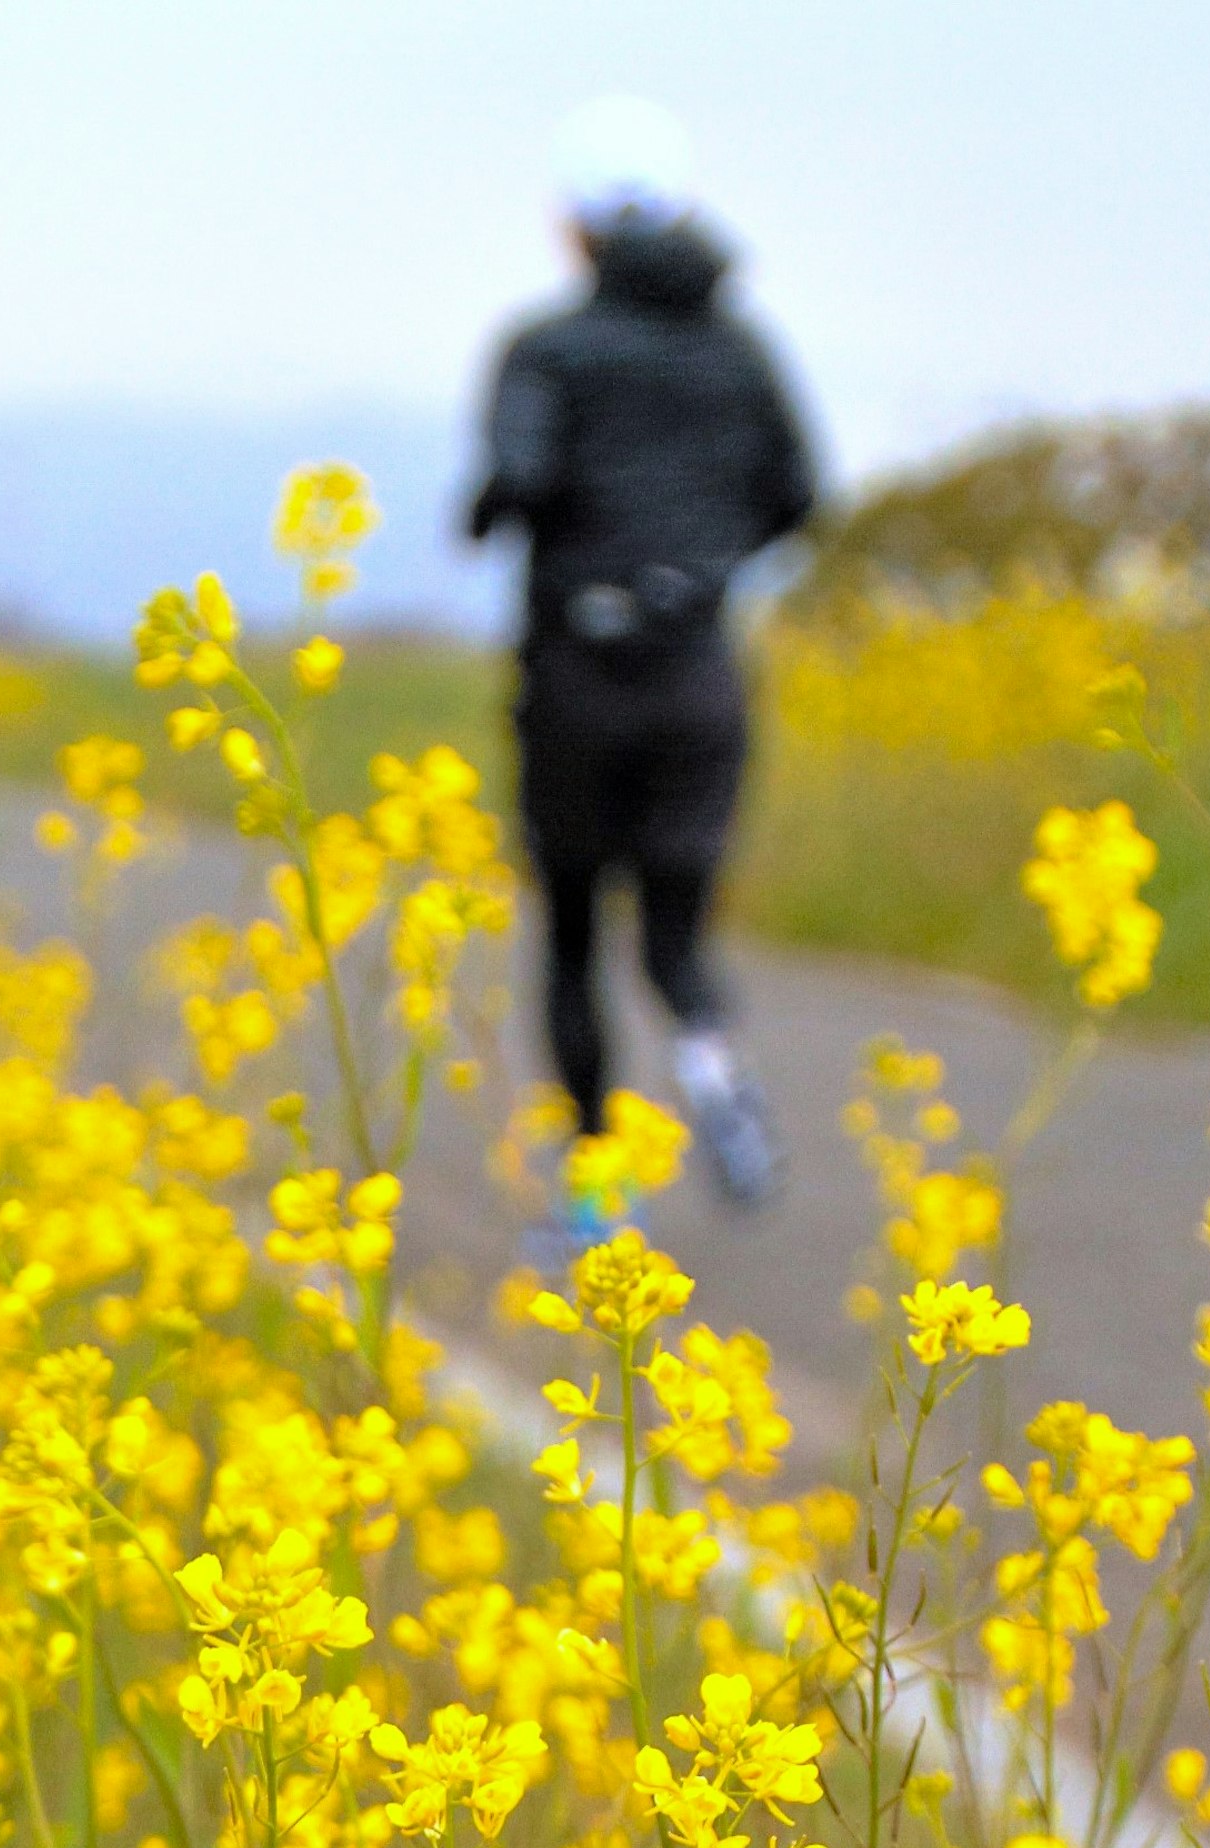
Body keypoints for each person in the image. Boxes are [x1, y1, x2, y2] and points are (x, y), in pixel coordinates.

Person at [468, 95, 817, 1243]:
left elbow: (515, 476)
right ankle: (713, 1065)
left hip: (579, 672)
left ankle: (598, 1197)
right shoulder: (741, 351)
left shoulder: (547, 349)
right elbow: (800, 493)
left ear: (574, 227)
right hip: (698, 675)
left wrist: (497, 508)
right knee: (674, 930)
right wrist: (703, 565)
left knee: (573, 932)